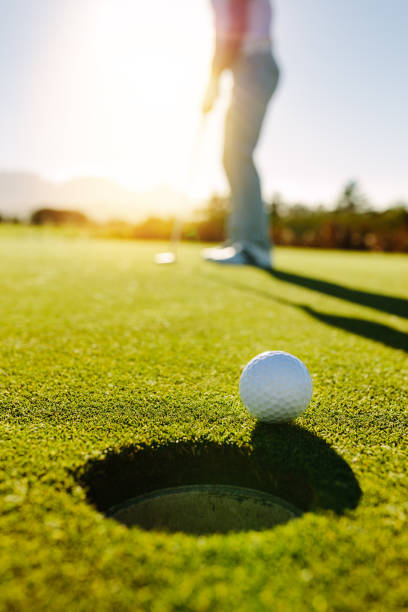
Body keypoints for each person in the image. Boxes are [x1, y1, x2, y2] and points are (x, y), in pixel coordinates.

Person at [202, 0, 279, 270]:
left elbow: (231, 31)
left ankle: (253, 246)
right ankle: (242, 240)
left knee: (237, 153)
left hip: (253, 63)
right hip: (249, 66)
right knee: (232, 155)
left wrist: (212, 82)